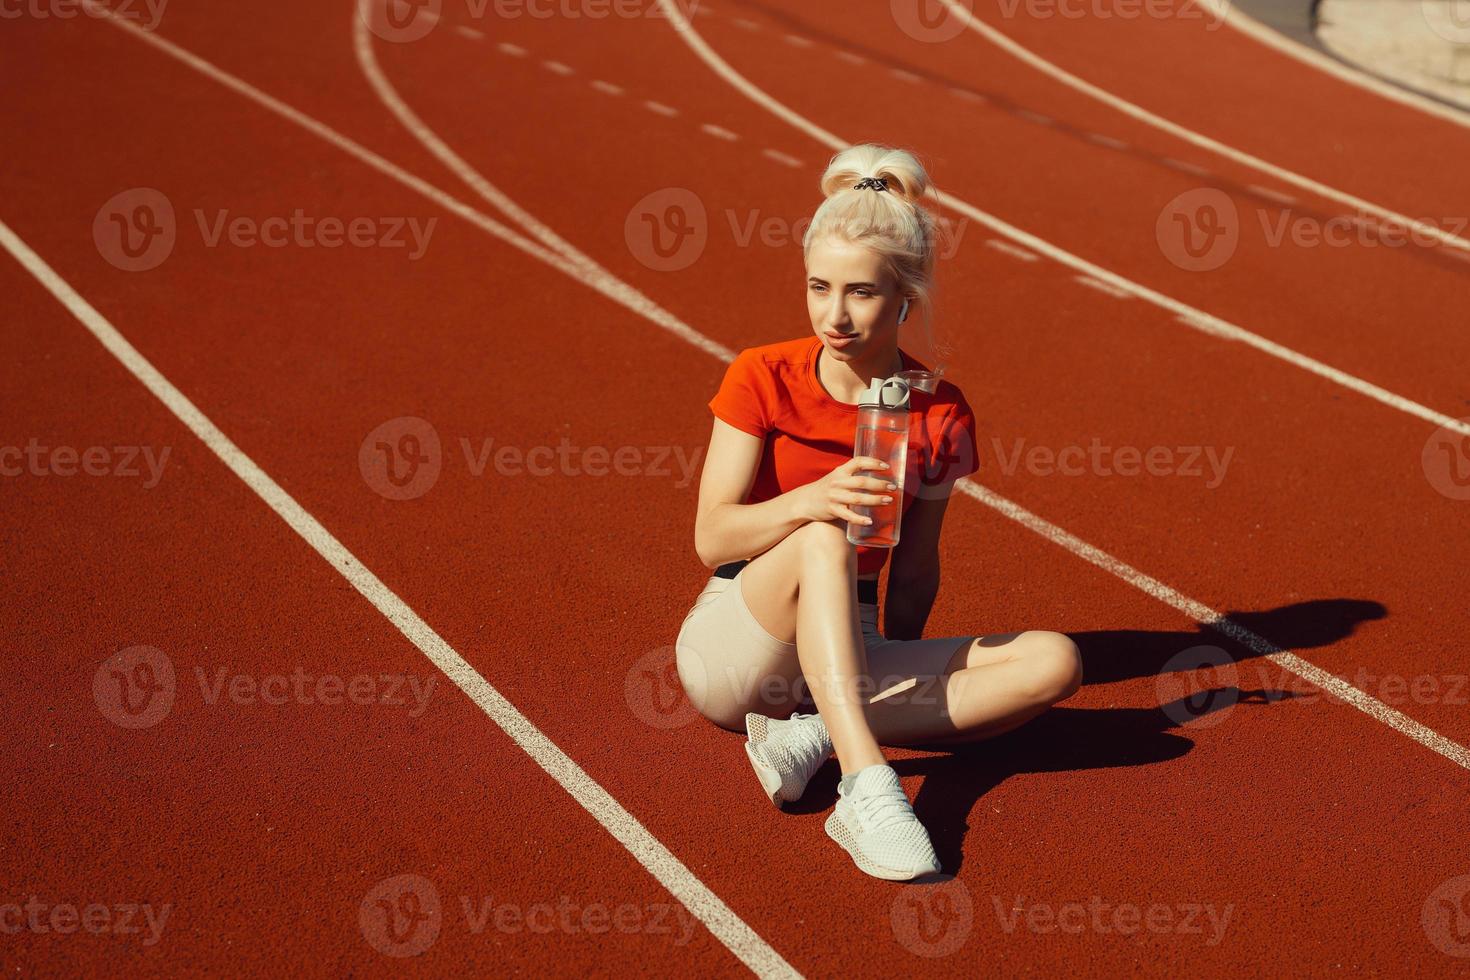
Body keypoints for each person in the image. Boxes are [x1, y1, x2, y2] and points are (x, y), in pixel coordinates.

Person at [674, 143, 1082, 882]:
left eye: (860, 293)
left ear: (905, 299)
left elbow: (916, 564)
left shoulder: (939, 411)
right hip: (744, 638)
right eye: (819, 286)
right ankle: (867, 788)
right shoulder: (762, 375)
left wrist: (892, 662)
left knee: (1057, 661)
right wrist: (808, 504)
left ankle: (812, 735)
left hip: (850, 639)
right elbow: (712, 537)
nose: (835, 314)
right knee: (825, 539)